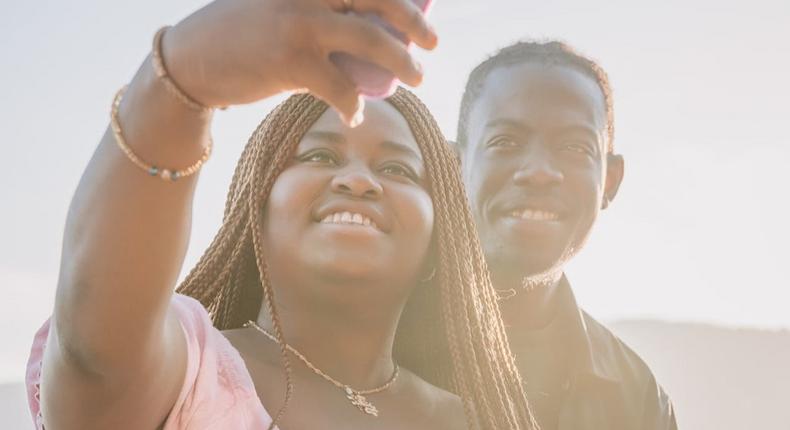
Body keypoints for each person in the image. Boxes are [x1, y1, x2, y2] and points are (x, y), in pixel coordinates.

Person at [26, 1, 536, 429]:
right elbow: (93, 358)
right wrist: (182, 75)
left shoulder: (477, 418)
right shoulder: (187, 374)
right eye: (319, 157)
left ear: (439, 233)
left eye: (397, 168)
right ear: (256, 212)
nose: (357, 180)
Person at [455, 41, 678, 430]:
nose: (539, 171)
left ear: (609, 181)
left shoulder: (635, 396)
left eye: (574, 147)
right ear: (455, 165)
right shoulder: (371, 347)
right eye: (505, 142)